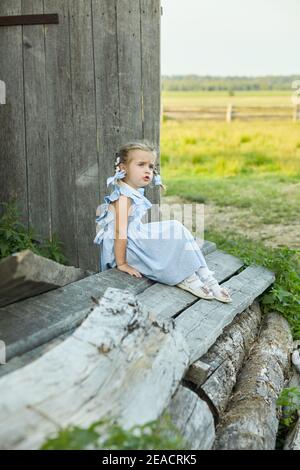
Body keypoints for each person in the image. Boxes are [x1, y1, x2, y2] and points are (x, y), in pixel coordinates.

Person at [93, 141, 232, 303]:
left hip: (133, 238)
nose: (148, 170)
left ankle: (206, 277)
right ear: (123, 168)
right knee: (172, 233)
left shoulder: (130, 191)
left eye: (151, 166)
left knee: (175, 228)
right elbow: (119, 233)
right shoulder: (123, 198)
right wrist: (122, 263)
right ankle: (187, 277)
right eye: (141, 164)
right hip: (126, 250)